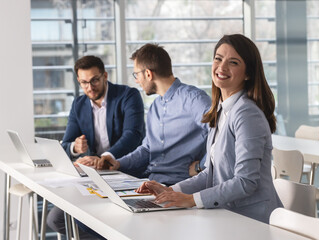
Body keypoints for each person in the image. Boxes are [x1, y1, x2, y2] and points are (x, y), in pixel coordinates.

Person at [136, 34, 283, 224]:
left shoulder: (247, 114)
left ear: (248, 73)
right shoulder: (222, 110)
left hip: (252, 220)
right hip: (227, 215)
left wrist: (191, 200)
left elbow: (245, 182)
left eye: (234, 62)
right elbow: (209, 174)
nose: (222, 67)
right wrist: (171, 191)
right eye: (218, 59)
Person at [77, 44, 211, 239]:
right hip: (151, 183)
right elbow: (147, 149)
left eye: (136, 75)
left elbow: (220, 133)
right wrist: (118, 163)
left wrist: (202, 166)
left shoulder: (193, 98)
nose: (137, 81)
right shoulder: (156, 106)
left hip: (178, 186)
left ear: (148, 74)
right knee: (87, 218)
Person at [47, 55, 146, 238]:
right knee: (56, 220)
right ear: (78, 81)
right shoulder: (79, 105)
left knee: (92, 220)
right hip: (94, 177)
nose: (90, 88)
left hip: (125, 171)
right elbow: (66, 143)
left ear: (105, 76)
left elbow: (133, 136)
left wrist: (105, 157)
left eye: (94, 80)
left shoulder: (128, 96)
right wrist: (75, 148)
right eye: (84, 83)